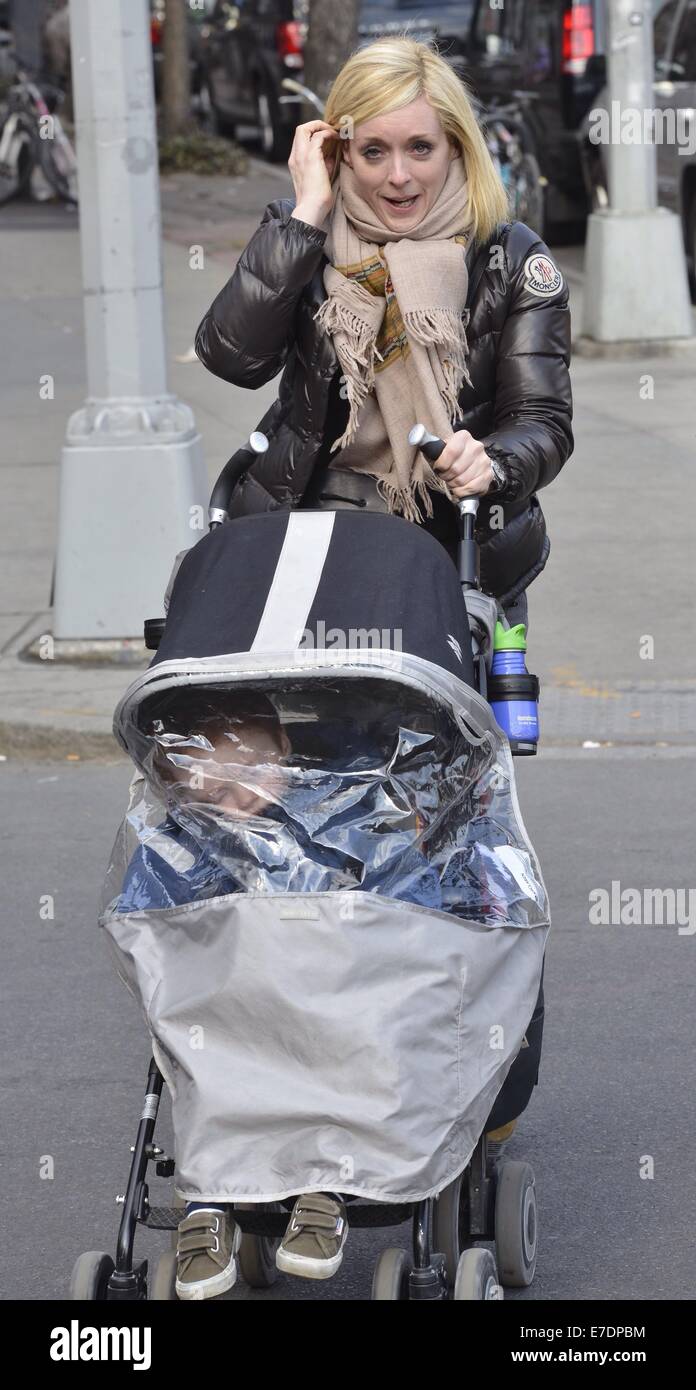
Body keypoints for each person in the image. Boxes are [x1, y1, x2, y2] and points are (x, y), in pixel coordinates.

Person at [191, 33, 572, 1292]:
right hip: (288, 562)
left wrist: (490, 462)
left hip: (432, 569)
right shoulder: (313, 243)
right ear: (336, 145)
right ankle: (244, 1144)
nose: (400, 176)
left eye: (424, 147)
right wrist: (298, 218)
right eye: (373, 150)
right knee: (242, 837)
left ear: (457, 147)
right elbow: (232, 356)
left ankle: (379, 1127)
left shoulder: (511, 259)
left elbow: (543, 422)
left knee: (399, 848)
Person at [118, 692, 443, 1298]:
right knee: (205, 1068)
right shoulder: (181, 843)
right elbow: (148, 928)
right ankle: (208, 1202)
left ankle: (323, 1185)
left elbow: (408, 895)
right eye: (210, 791)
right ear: (178, 789)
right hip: (234, 1010)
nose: (236, 798)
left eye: (251, 772)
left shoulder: (345, 819)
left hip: (335, 1000)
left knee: (352, 1050)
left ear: (286, 751)